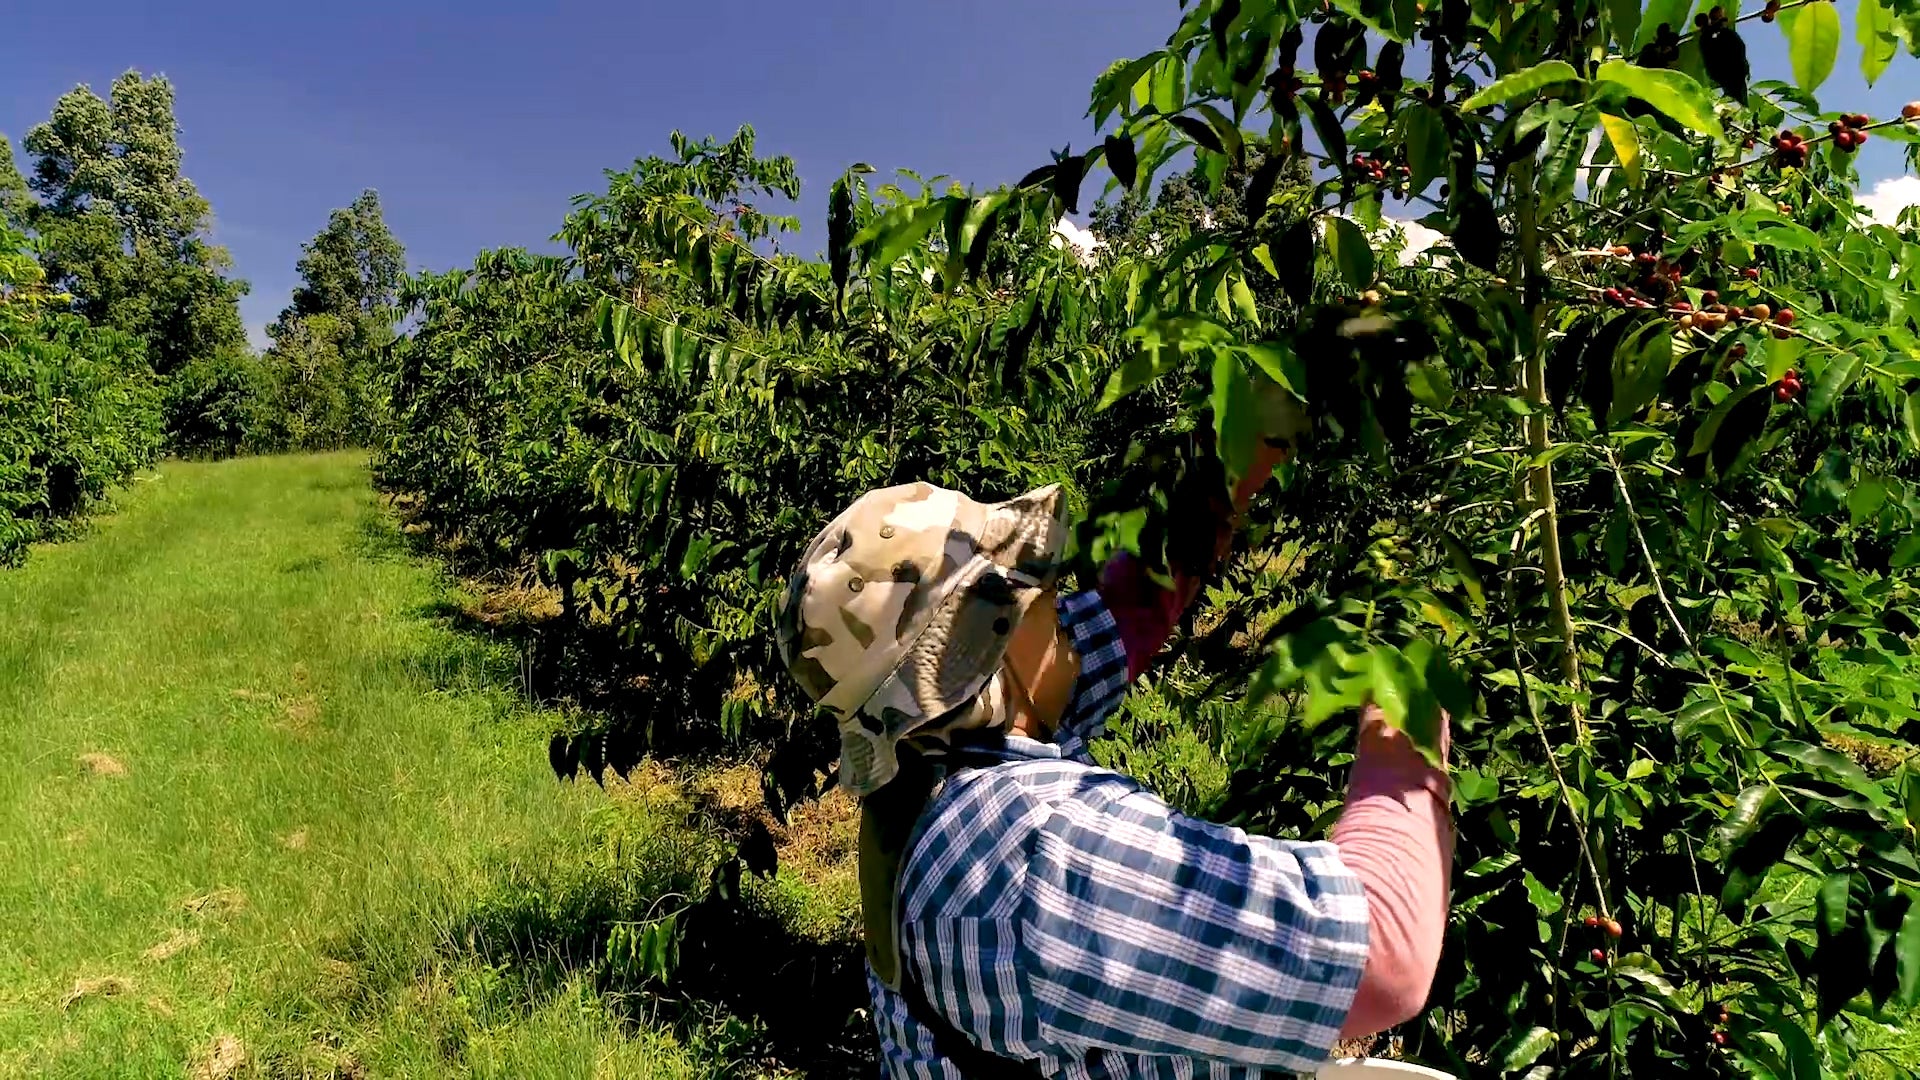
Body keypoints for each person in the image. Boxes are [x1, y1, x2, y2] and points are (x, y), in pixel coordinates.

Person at [774, 394, 1453, 1078]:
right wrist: (1409, 708)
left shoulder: (933, 773)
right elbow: (1382, 957)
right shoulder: (1030, 850)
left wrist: (1255, 434)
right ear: (987, 644)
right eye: (1031, 582)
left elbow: (1126, 611)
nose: (1057, 593)